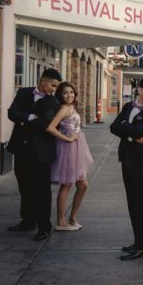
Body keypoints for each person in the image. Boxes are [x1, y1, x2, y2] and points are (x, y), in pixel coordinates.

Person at [7, 68, 63, 241]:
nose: (53, 89)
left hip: (42, 152)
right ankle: (28, 220)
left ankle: (44, 226)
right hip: (21, 149)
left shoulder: (54, 102)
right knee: (24, 187)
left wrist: (23, 120)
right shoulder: (23, 93)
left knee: (42, 190)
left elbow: (46, 125)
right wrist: (30, 117)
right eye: (52, 85)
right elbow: (11, 113)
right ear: (43, 81)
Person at [110, 77, 143, 260]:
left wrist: (128, 130)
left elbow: (140, 132)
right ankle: (139, 241)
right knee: (132, 203)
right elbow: (113, 127)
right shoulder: (128, 107)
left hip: (140, 161)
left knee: (140, 203)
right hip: (126, 158)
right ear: (141, 90)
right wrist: (130, 136)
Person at [46, 82, 93, 232]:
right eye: (65, 93)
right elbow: (50, 128)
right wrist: (66, 139)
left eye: (71, 92)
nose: (69, 95)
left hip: (77, 146)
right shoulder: (64, 109)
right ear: (60, 95)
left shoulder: (72, 107)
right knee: (66, 184)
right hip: (68, 148)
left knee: (83, 185)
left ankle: (72, 217)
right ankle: (61, 221)